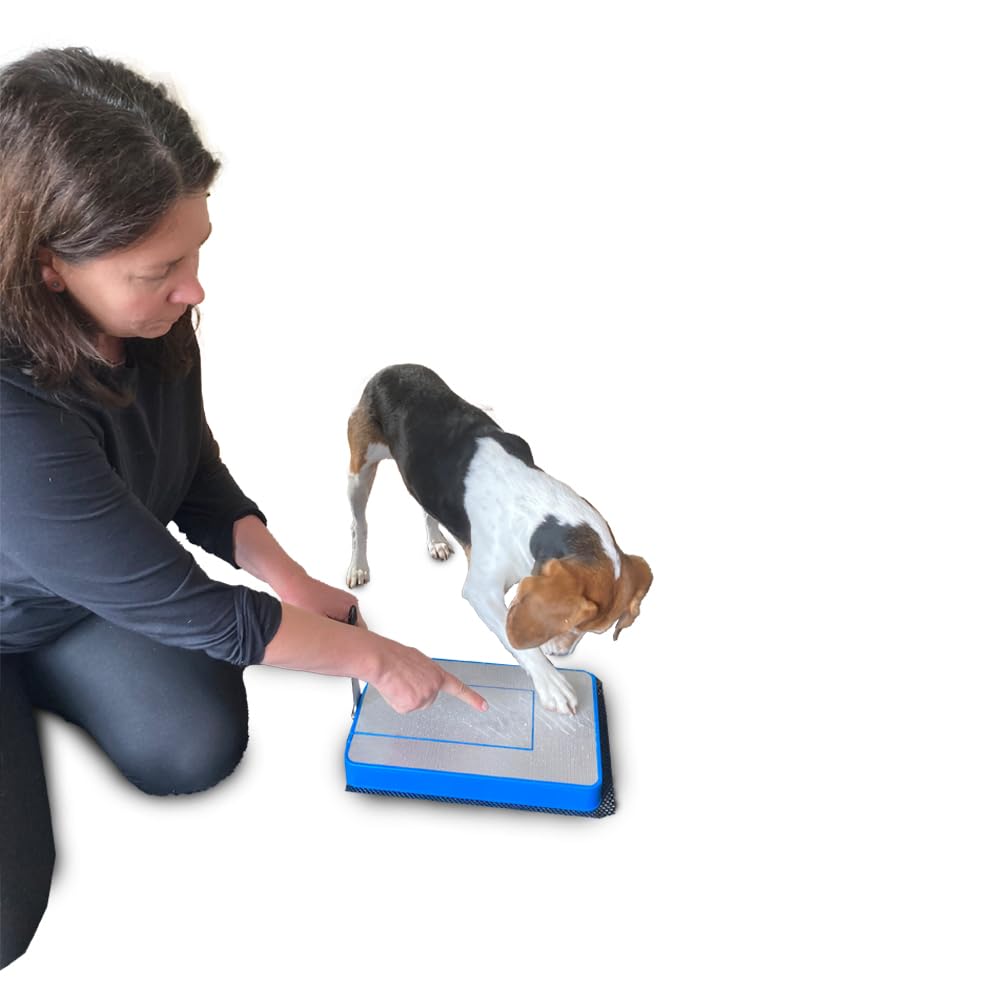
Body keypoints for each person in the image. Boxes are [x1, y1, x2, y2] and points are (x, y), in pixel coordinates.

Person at [0, 46, 487, 970]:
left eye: (197, 254)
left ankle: (39, 681)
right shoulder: (10, 416)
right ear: (50, 267)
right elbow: (197, 611)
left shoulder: (143, 317)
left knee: (194, 746)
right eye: (161, 270)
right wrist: (378, 658)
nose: (194, 290)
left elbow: (188, 470)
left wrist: (289, 575)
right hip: (51, 594)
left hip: (76, 593)